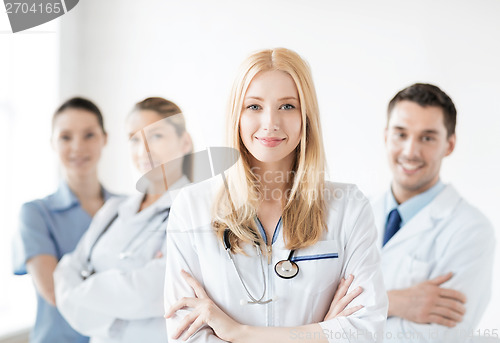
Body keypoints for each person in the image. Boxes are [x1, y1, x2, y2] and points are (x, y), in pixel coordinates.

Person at [164, 48, 388, 343]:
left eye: (287, 106)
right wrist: (322, 333)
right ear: (237, 115)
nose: (270, 122)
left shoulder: (348, 207)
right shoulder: (191, 208)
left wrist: (238, 333)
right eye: (254, 106)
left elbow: (366, 331)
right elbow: (187, 335)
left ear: (306, 115)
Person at [53, 97, 193, 343]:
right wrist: (119, 309)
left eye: (156, 136)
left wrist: (84, 292)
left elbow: (150, 292)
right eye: (134, 139)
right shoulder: (114, 210)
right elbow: (65, 271)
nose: (143, 150)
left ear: (185, 142)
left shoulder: (196, 212)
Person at [371, 83, 496, 342]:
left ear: (449, 145)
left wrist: (345, 324)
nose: (410, 151)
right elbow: (312, 310)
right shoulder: (354, 213)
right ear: (385, 136)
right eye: (401, 134)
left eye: (427, 137)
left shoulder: (471, 230)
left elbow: (436, 337)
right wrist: (391, 302)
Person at [12, 97, 114, 343]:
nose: (78, 147)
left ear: (104, 138)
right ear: (52, 143)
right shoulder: (35, 214)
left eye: (89, 135)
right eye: (66, 137)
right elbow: (56, 292)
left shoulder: (127, 210)